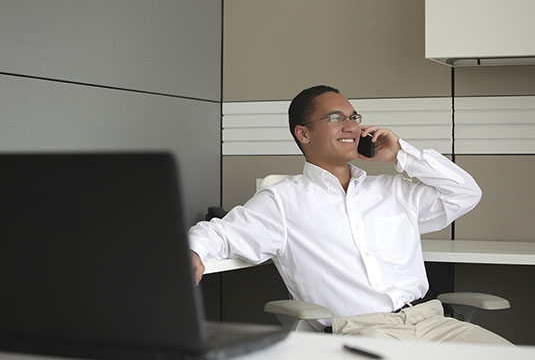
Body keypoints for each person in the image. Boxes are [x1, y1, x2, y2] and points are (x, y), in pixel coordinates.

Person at [188, 85, 511, 345]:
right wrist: (193, 250)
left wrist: (402, 154)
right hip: (361, 332)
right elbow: (222, 233)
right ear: (303, 134)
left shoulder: (393, 191)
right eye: (335, 117)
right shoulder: (283, 200)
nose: (352, 126)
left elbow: (465, 193)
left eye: (354, 116)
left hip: (433, 322)